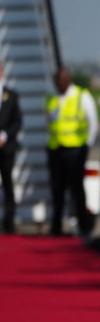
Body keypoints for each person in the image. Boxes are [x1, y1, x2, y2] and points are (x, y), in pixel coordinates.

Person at [47, 67, 97, 237]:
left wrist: (87, 145)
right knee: (57, 189)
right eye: (56, 81)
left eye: (60, 81)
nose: (58, 85)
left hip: (75, 149)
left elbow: (93, 123)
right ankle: (56, 226)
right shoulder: (53, 98)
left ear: (68, 80)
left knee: (77, 189)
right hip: (56, 148)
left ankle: (84, 226)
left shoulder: (82, 96)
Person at [0, 62, 22, 234]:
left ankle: (9, 222)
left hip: (6, 148)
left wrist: (5, 135)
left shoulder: (12, 95)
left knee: (8, 184)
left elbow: (17, 121)